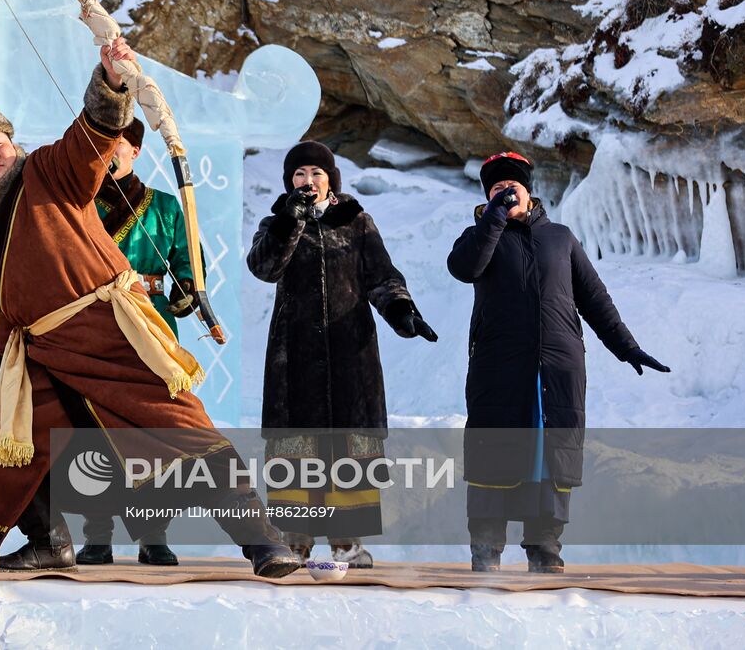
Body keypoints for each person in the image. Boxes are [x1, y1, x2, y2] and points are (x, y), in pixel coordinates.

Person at [0, 15, 298, 577]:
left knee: (183, 428)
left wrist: (113, 82)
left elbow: (89, 137)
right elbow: (8, 319)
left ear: (14, 145)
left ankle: (262, 541)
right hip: (41, 354)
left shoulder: (47, 171)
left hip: (107, 335)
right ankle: (50, 541)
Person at [447, 151, 670, 574]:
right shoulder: (478, 236)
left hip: (557, 370)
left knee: (550, 461)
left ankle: (545, 550)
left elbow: (594, 299)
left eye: (511, 188)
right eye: (496, 189)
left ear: (529, 193)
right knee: (494, 452)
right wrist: (493, 219)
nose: (504, 194)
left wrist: (627, 347)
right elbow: (464, 267)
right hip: (499, 369)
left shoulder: (561, 238)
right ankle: (486, 550)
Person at [247, 140, 437, 568]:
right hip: (293, 355)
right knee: (296, 445)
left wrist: (402, 310)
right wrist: (289, 222)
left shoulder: (357, 221)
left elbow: (382, 277)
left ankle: (346, 541)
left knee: (349, 446)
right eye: (299, 174)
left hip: (351, 352)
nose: (308, 180)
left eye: (316, 172)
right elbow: (264, 268)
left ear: (331, 178)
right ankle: (295, 541)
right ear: (289, 181)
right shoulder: (274, 222)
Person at [75, 118, 196, 567]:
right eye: (103, 145)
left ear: (136, 151)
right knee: (91, 431)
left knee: (152, 434)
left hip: (150, 322)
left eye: (120, 145)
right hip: (93, 323)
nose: (112, 153)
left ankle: (153, 534)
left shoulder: (164, 207)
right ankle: (97, 534)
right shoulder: (77, 204)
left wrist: (185, 287)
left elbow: (188, 262)